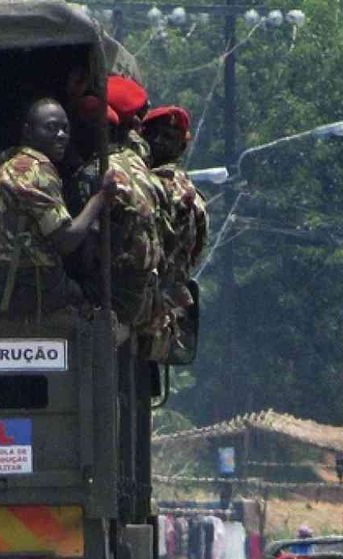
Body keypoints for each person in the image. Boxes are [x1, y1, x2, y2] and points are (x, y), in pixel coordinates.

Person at [0, 98, 108, 317]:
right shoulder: (37, 169)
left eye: (65, 129)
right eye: (51, 127)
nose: (61, 135)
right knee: (89, 296)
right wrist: (101, 197)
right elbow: (66, 240)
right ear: (28, 132)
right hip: (26, 288)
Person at [69, 75, 162, 326]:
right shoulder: (138, 165)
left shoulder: (94, 175)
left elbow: (85, 245)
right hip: (144, 294)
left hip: (112, 295)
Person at [142, 104, 206, 355]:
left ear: (181, 147)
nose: (158, 142)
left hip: (156, 304)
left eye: (168, 137)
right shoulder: (189, 192)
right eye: (153, 134)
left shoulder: (162, 189)